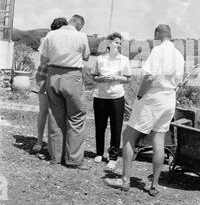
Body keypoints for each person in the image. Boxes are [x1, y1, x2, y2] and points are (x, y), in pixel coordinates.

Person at [105, 24, 185, 196]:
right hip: (169, 98)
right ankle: (154, 185)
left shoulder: (157, 51)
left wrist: (140, 96)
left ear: (157, 34)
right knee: (158, 139)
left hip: (153, 96)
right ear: (170, 35)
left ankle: (125, 179)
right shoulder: (179, 54)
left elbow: (149, 76)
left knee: (128, 135)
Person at [40, 14, 90, 170]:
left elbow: (43, 60)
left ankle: (56, 156)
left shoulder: (51, 35)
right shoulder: (81, 36)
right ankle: (73, 159)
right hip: (72, 76)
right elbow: (86, 57)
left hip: (53, 75)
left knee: (55, 115)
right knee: (76, 116)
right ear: (77, 23)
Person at [92, 32, 131, 170]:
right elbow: (94, 77)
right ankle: (99, 153)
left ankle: (113, 157)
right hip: (100, 97)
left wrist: (116, 78)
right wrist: (103, 79)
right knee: (100, 126)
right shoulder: (100, 59)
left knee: (116, 128)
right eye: (116, 42)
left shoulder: (124, 60)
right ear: (109, 43)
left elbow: (128, 78)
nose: (118, 45)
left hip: (117, 97)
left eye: (120, 43)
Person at [32, 17, 68, 153]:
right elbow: (42, 60)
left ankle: (49, 142)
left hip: (56, 76)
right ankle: (40, 140)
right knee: (44, 110)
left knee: (54, 112)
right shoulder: (47, 39)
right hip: (45, 75)